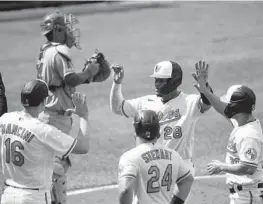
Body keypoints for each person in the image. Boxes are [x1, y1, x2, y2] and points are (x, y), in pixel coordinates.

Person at [37, 11, 110, 204]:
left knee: (55, 169)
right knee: (56, 172)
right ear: (58, 30)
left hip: (51, 116)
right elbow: (70, 79)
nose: (70, 31)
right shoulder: (59, 53)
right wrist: (88, 72)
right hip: (55, 119)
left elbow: (62, 84)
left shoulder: (46, 50)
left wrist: (88, 77)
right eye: (66, 27)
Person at [110, 61, 213, 176]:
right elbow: (118, 108)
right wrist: (117, 83)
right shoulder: (145, 102)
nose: (157, 84)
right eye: (156, 80)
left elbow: (207, 103)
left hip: (180, 169)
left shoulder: (190, 102)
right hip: (151, 165)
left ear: (174, 81)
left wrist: (205, 88)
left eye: (161, 80)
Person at [0, 79, 90, 204]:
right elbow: (83, 147)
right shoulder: (43, 131)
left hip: (7, 195)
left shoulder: (5, 120)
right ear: (44, 101)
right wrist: (84, 116)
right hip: (33, 198)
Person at [192, 60, 263, 204]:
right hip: (243, 194)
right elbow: (221, 108)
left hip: (248, 196)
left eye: (229, 104)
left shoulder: (249, 135)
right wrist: (205, 91)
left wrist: (221, 166)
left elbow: (248, 168)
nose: (227, 106)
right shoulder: (242, 121)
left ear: (236, 108)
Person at [118, 109, 194, 204]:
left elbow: (125, 189)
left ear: (136, 132)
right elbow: (188, 180)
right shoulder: (173, 155)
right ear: (158, 132)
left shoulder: (130, 157)